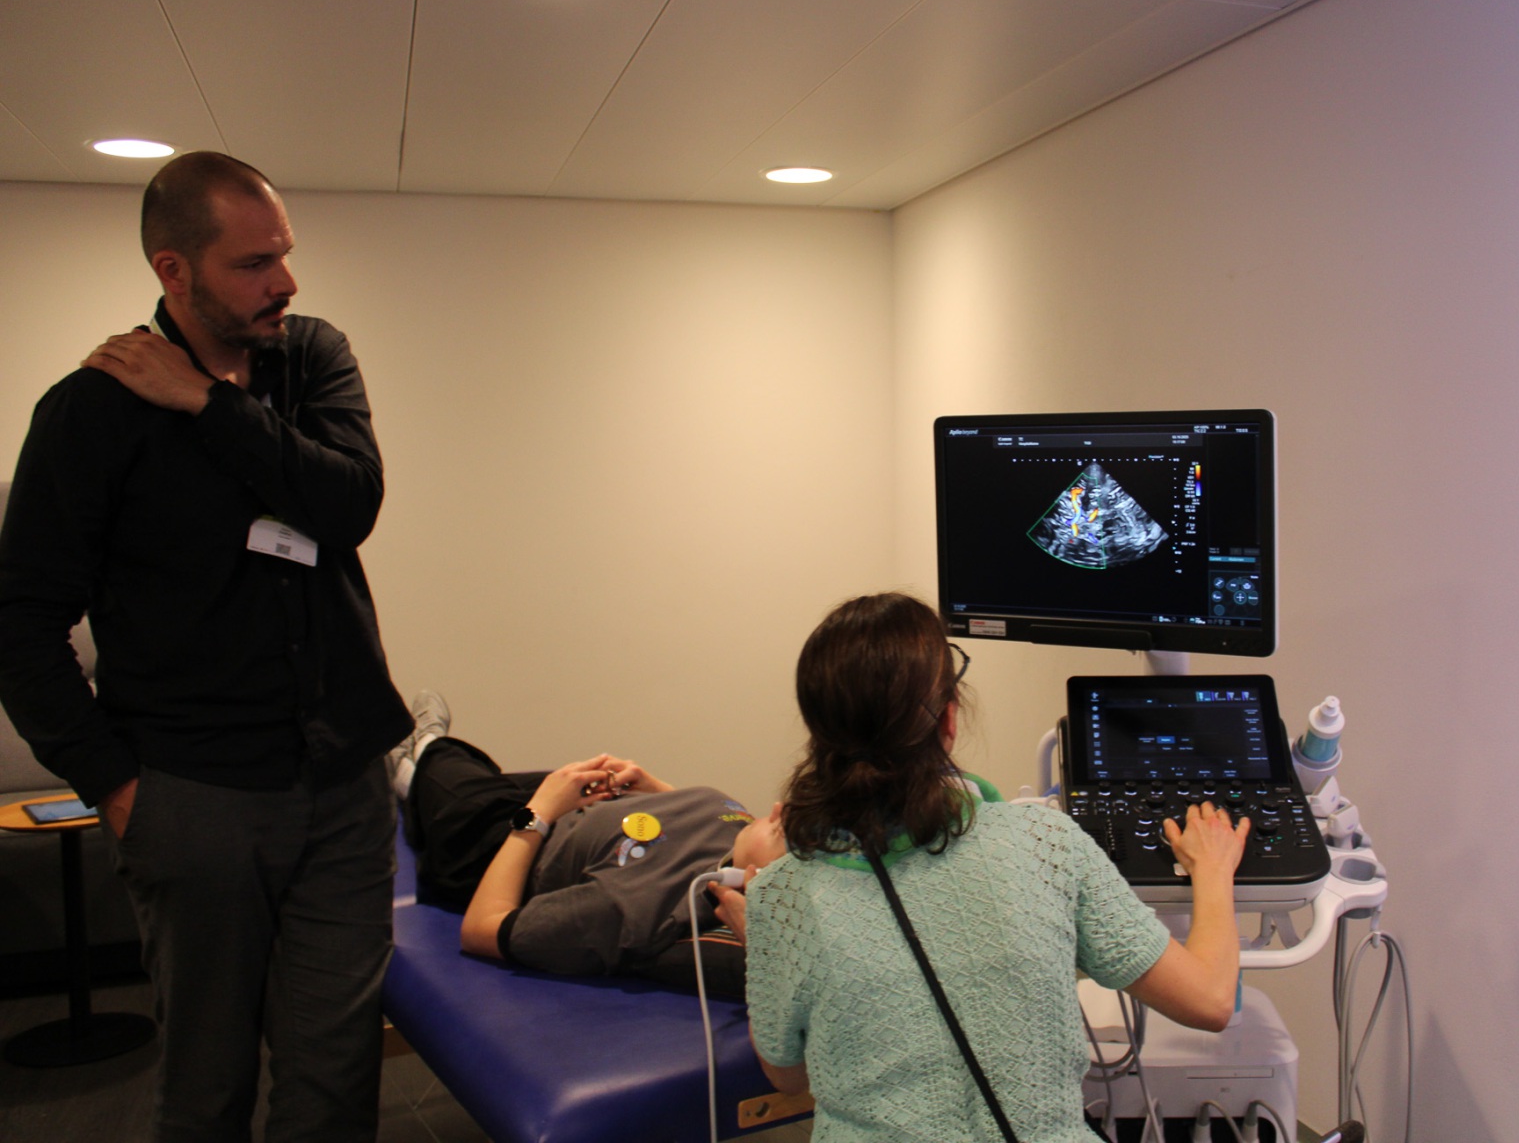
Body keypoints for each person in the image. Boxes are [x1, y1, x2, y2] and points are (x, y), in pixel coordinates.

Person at [0, 152, 413, 1141]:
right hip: (195, 797)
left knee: (336, 1079)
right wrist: (114, 784)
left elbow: (348, 504)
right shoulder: (89, 413)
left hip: (346, 784)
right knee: (207, 1081)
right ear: (174, 270)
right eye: (254, 263)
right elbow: (21, 624)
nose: (285, 282)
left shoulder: (311, 358)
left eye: (285, 255)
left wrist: (206, 402)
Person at [729, 592, 1249, 1143]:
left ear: (819, 735)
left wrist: (768, 942)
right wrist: (1213, 871)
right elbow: (1210, 1000)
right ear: (949, 719)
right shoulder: (1045, 842)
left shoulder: (780, 897)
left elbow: (788, 1077)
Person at [387, 694, 786, 997]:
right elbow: (688, 841)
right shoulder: (744, 839)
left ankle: (418, 751)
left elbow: (480, 930)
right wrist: (655, 791)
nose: (780, 812)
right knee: (480, 777)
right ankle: (417, 770)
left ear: (761, 884)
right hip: (578, 809)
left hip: (506, 843)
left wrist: (539, 812)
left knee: (451, 775)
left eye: (789, 835)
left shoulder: (630, 906)